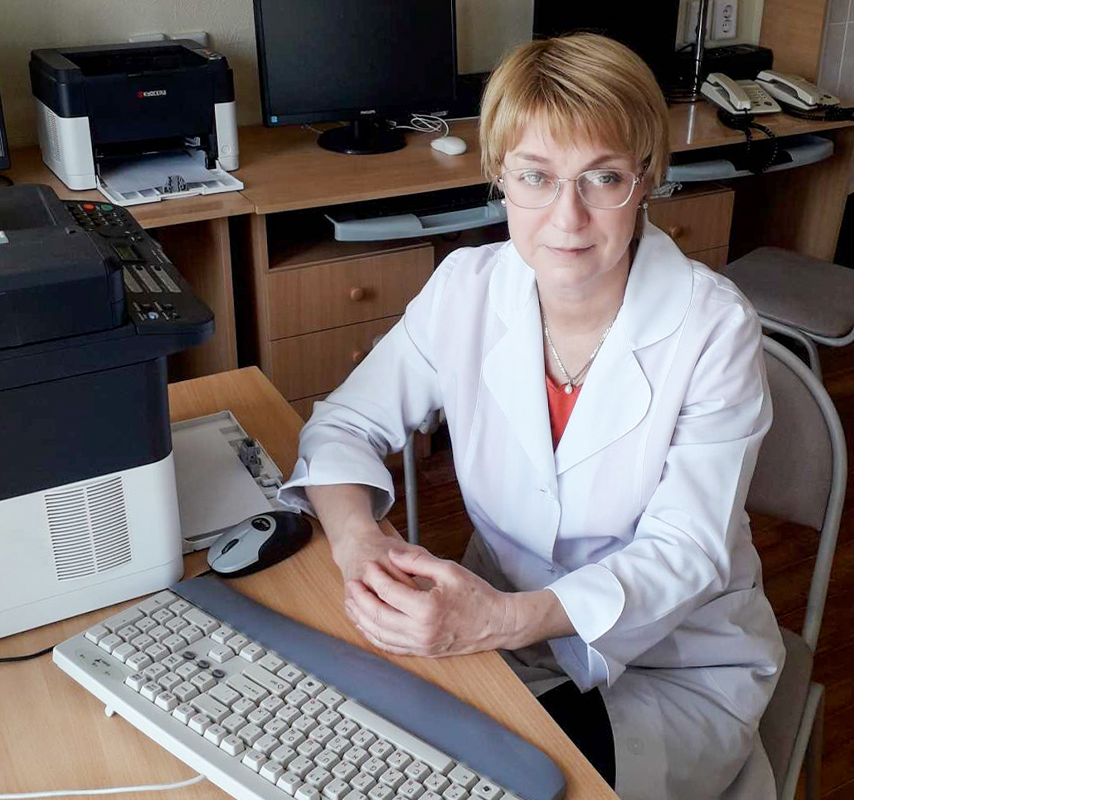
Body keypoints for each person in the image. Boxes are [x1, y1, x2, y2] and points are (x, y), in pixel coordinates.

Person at [277, 34, 785, 800]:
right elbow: (345, 425)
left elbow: (684, 551)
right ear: (500, 177)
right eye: (536, 177)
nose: (567, 218)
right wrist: (358, 543)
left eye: (602, 177)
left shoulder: (714, 328)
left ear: (646, 177)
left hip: (673, 665)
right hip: (495, 629)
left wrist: (500, 621)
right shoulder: (467, 288)